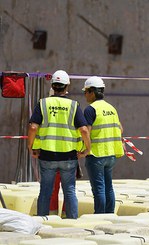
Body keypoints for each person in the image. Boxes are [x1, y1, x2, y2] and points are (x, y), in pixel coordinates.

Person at [28, 70, 91, 219]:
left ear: (52, 86)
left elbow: (32, 127)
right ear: (66, 86)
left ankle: (42, 220)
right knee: (69, 191)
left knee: (45, 190)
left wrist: (30, 146)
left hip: (47, 155)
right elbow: (83, 129)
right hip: (69, 157)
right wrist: (87, 148)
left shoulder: (43, 103)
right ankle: (72, 222)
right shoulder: (74, 106)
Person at [82, 76, 124, 213]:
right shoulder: (111, 108)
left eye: (86, 92)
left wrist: (85, 150)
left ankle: (99, 215)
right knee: (108, 187)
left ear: (92, 92)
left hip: (96, 154)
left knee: (99, 188)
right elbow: (120, 129)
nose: (85, 95)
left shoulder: (90, 109)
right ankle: (110, 214)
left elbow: (86, 132)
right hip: (111, 154)